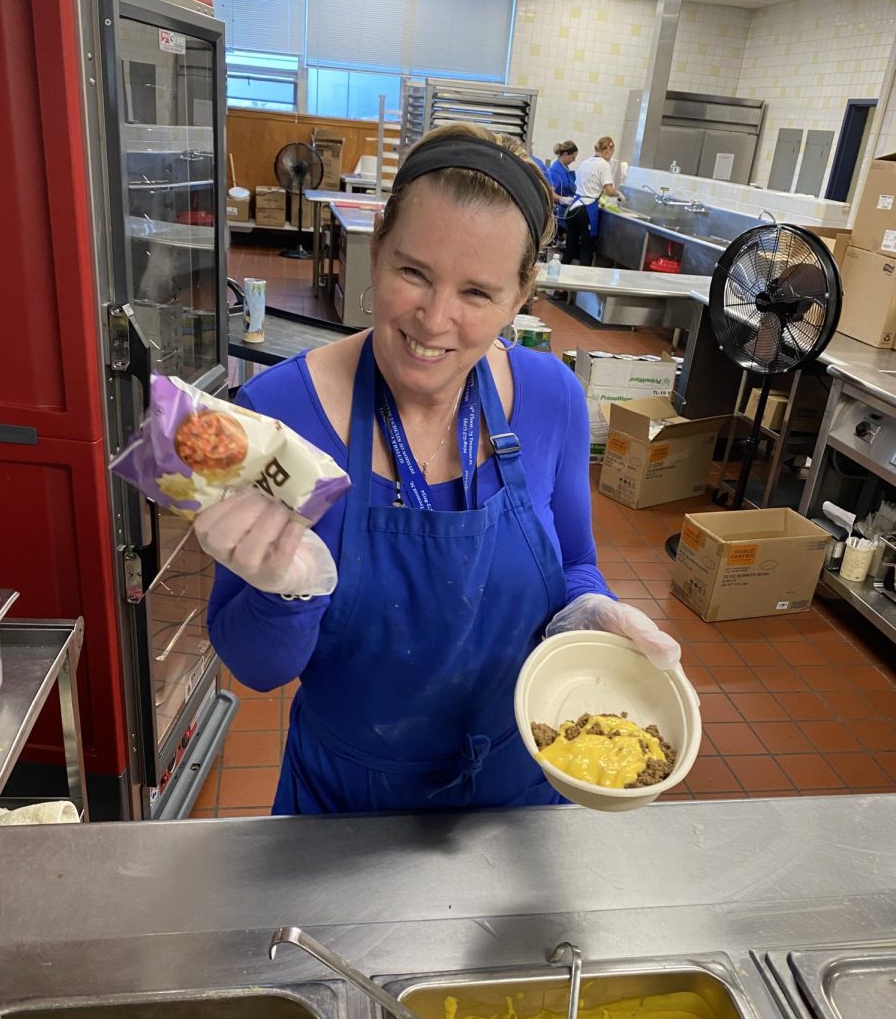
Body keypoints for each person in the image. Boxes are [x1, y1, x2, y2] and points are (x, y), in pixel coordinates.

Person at [196, 123, 680, 815]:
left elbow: (574, 560)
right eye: (412, 272)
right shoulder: (277, 414)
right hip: (347, 812)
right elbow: (256, 667)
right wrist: (283, 596)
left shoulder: (552, 399)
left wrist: (590, 610)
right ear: (378, 248)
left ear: (521, 296)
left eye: (478, 294)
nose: (434, 320)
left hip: (521, 795)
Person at [564, 135, 624, 268]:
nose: (610, 157)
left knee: (570, 248)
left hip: (573, 209)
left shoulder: (585, 162)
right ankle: (581, 288)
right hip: (586, 211)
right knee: (586, 251)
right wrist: (618, 194)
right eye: (611, 153)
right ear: (608, 150)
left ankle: (559, 288)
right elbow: (608, 190)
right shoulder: (603, 165)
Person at [547, 140, 578, 236]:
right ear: (565, 154)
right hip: (560, 214)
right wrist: (562, 199)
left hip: (567, 212)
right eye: (573, 157)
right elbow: (550, 192)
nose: (574, 160)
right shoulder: (555, 169)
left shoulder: (566, 168)